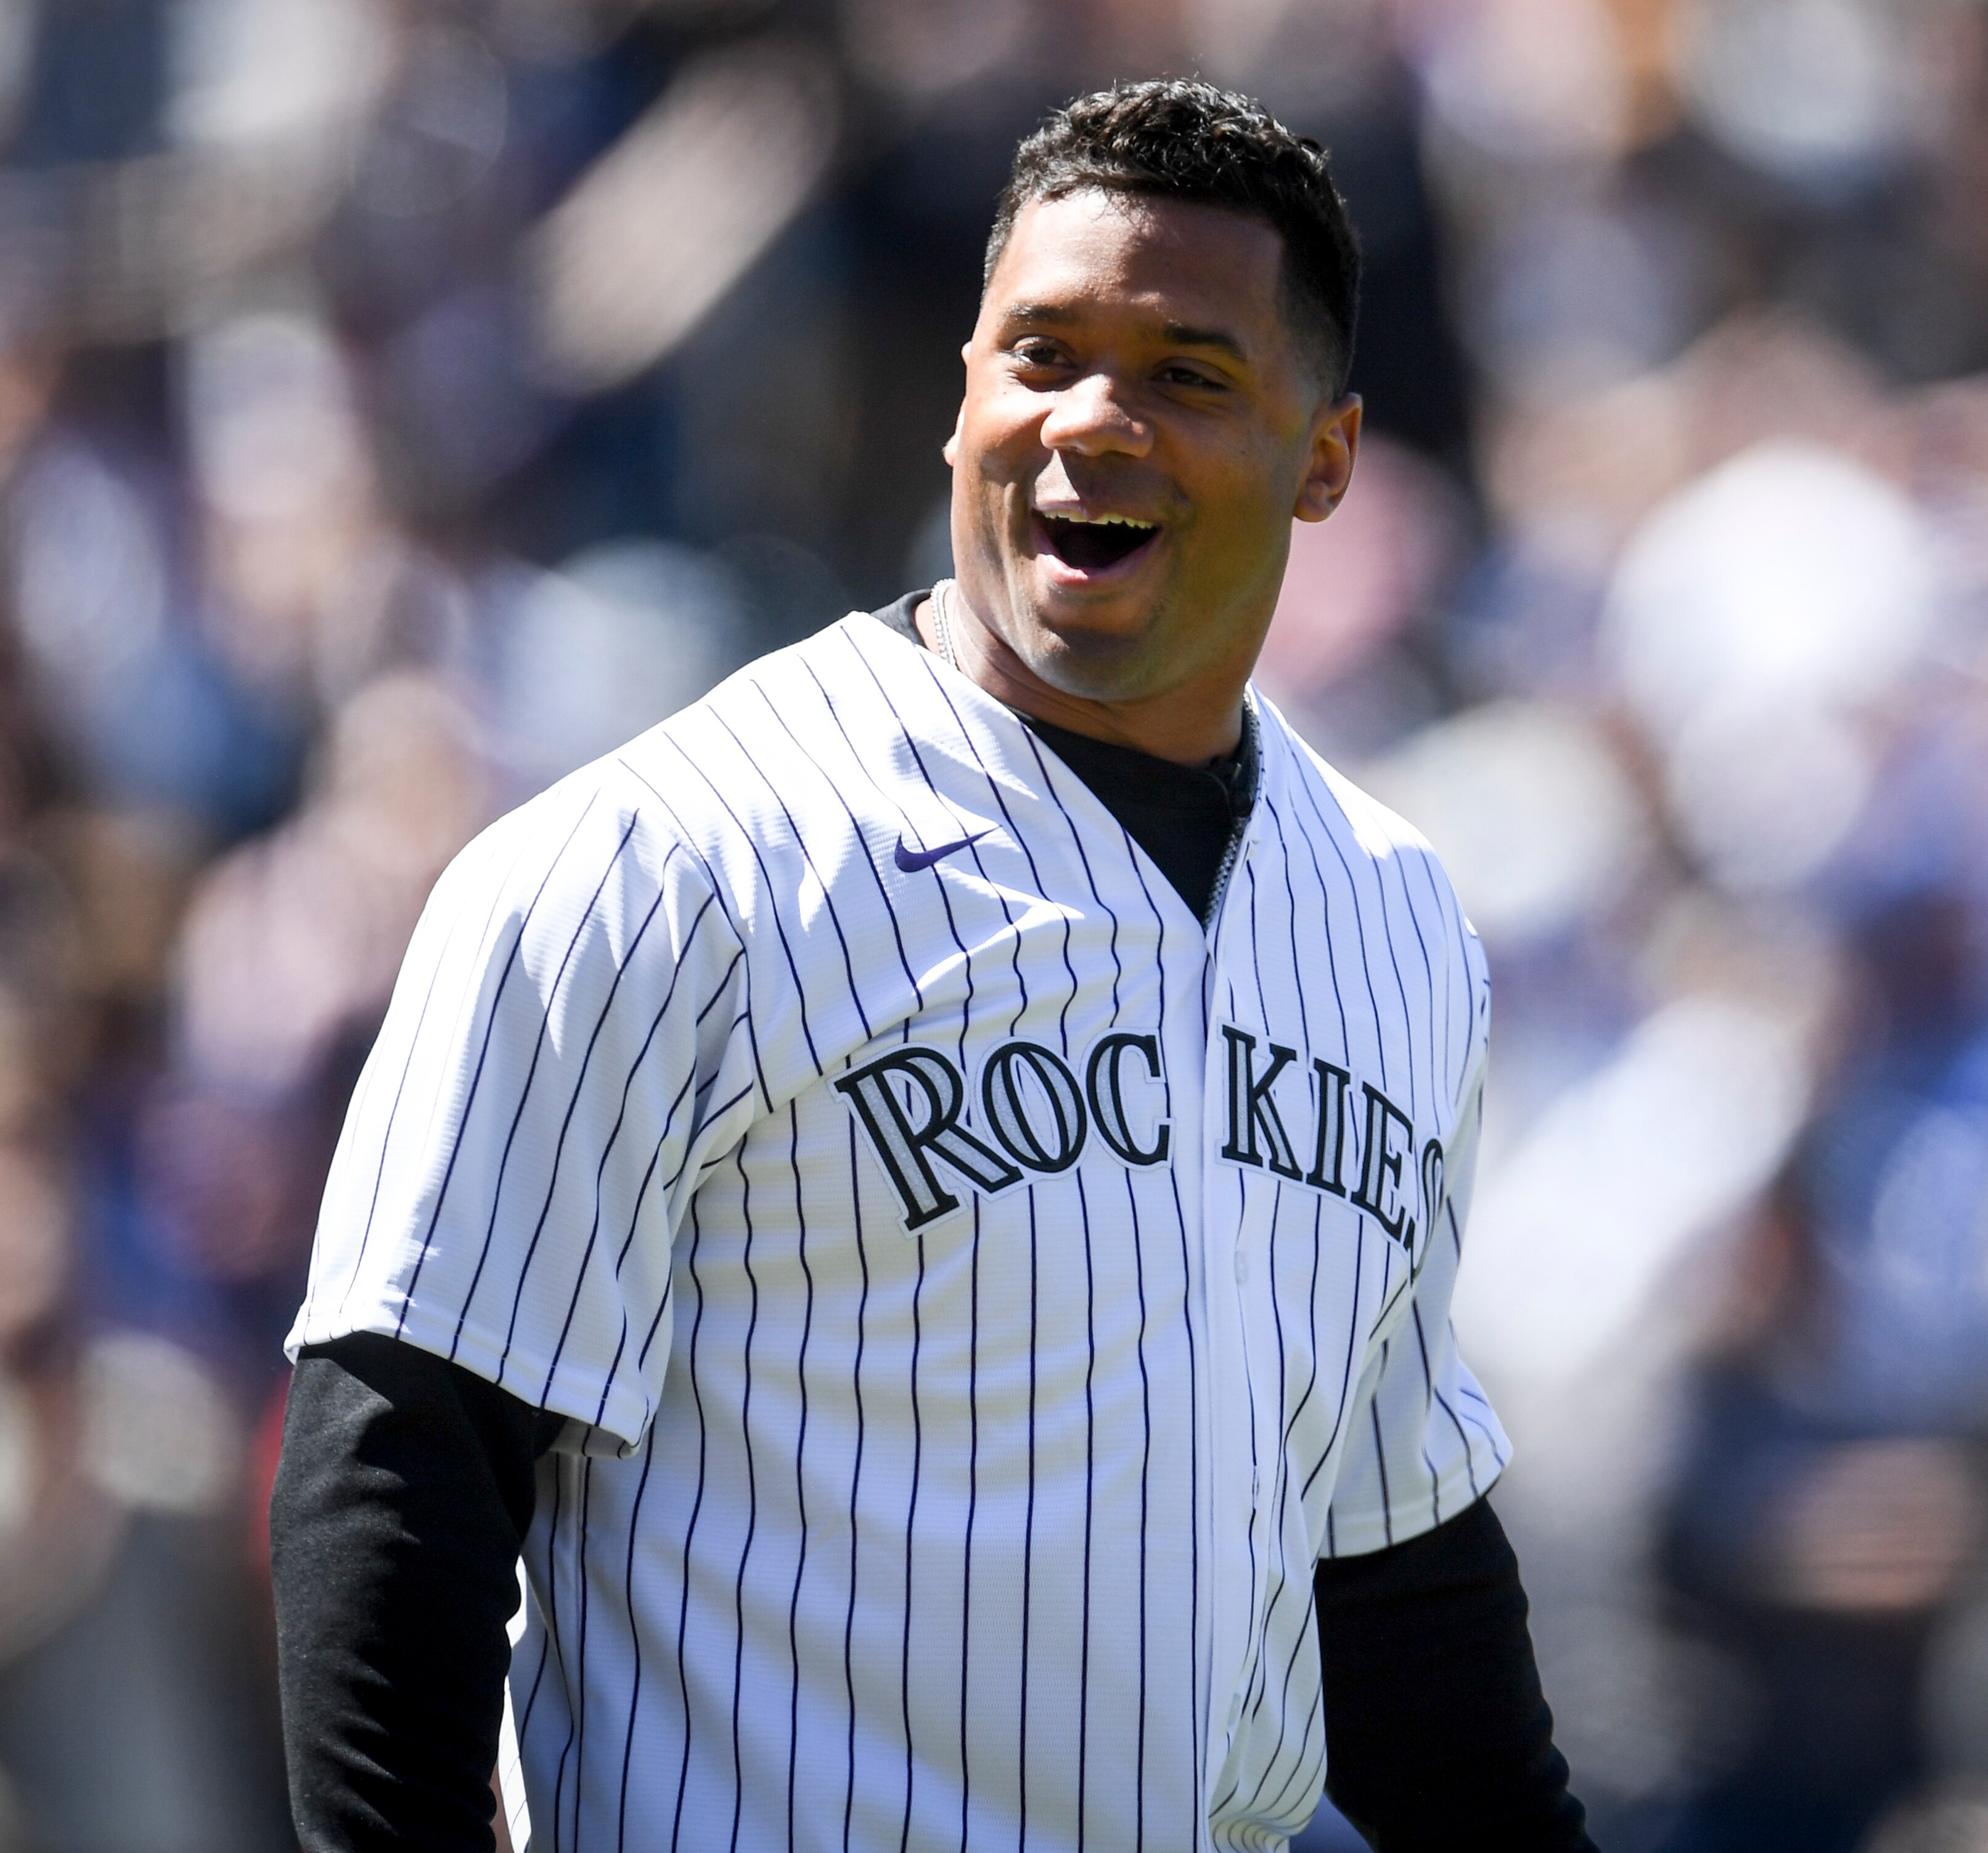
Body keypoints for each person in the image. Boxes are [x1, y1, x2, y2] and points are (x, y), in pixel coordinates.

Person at [269, 79, 1593, 1853]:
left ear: (1326, 457)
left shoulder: (1391, 912)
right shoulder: (666, 864)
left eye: (1187, 374)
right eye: (1040, 355)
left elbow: (1388, 1571)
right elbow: (398, 1470)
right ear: (961, 392)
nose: (1089, 424)